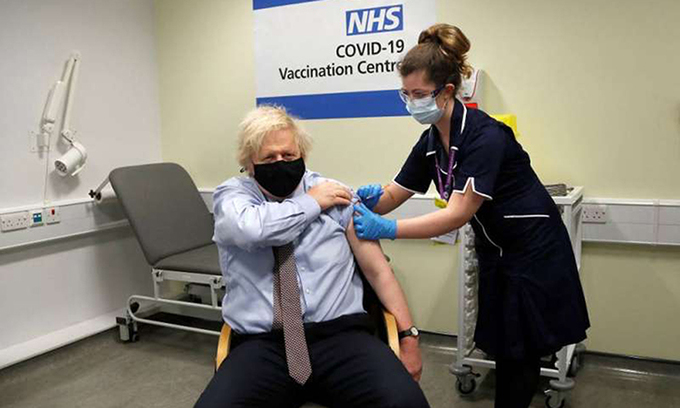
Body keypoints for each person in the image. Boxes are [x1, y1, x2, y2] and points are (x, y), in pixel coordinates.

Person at [352, 24, 590, 408]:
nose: (411, 103)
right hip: (497, 253)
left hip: (534, 253)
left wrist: (388, 228)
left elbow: (457, 214)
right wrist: (362, 201)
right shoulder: (432, 140)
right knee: (505, 347)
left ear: (447, 91)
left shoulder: (486, 136)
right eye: (406, 94)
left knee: (521, 352)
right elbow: (395, 193)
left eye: (419, 94)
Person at [194, 106, 429, 408]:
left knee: (405, 403)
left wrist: (408, 337)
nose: (281, 163)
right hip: (263, 345)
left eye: (289, 155)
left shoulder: (336, 195)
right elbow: (253, 230)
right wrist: (312, 203)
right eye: (269, 158)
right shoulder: (233, 197)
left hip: (341, 338)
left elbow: (378, 271)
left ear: (302, 155)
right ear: (249, 163)